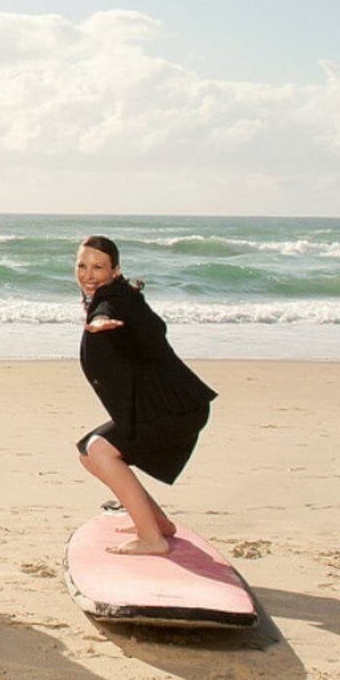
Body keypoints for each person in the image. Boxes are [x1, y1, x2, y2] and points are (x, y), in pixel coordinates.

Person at [75, 235, 215, 558]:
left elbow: (111, 306)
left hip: (171, 409)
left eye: (98, 267)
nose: (88, 274)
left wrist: (99, 320)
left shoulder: (112, 297)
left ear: (115, 270)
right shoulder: (119, 295)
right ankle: (158, 523)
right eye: (82, 265)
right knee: (88, 451)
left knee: (100, 450)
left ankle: (151, 537)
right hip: (163, 405)